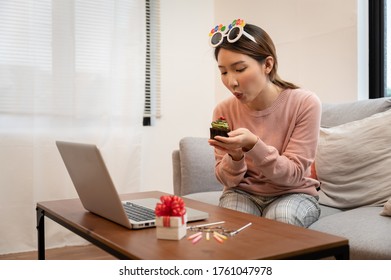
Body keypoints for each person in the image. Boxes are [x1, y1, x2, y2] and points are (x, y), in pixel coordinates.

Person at [208, 19, 321, 228]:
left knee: (281, 218)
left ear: (267, 65)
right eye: (223, 72)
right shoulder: (223, 111)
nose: (231, 82)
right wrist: (235, 155)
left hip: (293, 193)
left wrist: (254, 146)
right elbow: (227, 181)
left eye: (239, 69)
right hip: (242, 192)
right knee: (230, 225)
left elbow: (294, 175)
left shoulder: (305, 103)